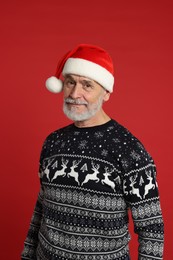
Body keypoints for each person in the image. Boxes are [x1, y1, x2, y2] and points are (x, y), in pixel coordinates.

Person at [21, 44, 164, 260]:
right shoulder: (52, 143)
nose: (75, 93)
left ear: (106, 93)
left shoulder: (129, 150)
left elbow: (151, 230)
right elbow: (42, 210)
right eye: (70, 82)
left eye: (87, 85)